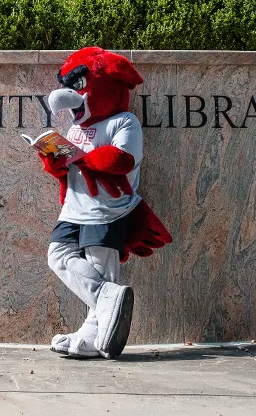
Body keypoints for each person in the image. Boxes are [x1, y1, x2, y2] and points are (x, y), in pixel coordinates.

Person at [38, 46, 172, 359]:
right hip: (73, 208)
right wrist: (54, 159)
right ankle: (108, 302)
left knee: (102, 266)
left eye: (80, 87)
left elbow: (122, 160)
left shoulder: (123, 122)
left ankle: (92, 335)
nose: (71, 98)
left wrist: (81, 156)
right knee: (57, 255)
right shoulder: (75, 128)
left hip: (108, 210)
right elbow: (69, 167)